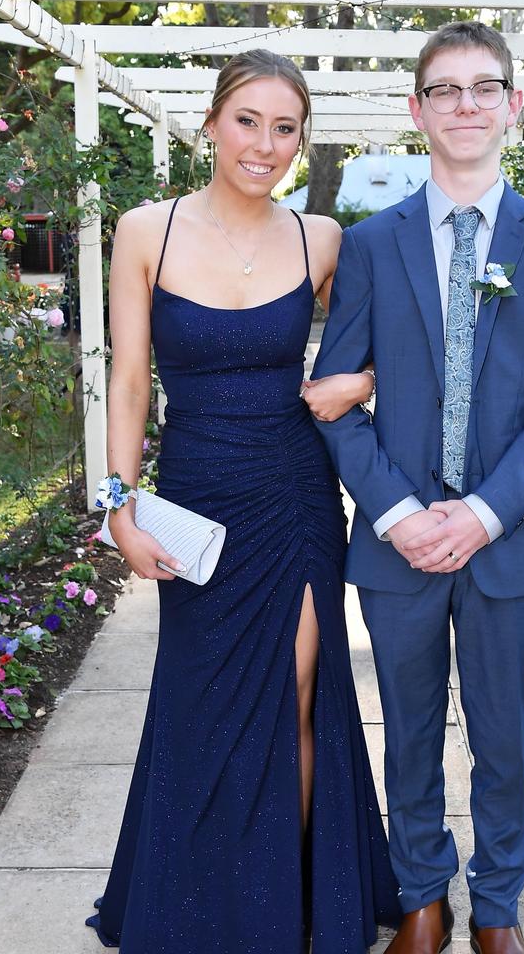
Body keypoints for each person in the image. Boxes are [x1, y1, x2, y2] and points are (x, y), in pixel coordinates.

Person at [85, 48, 400, 954]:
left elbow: (378, 356)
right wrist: (120, 503)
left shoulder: (321, 238)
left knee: (298, 696)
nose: (265, 144)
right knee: (203, 701)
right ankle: (199, 903)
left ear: (302, 140)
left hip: (297, 497)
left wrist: (364, 380)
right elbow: (132, 380)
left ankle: (288, 907)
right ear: (212, 123)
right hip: (197, 495)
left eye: (285, 127)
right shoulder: (148, 229)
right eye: (248, 121)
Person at [310, 22, 524, 954]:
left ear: (513, 107)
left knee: (503, 735)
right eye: (445, 89)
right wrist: (398, 515)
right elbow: (334, 399)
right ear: (417, 110)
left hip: (507, 539)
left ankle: (500, 908)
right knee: (407, 729)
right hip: (398, 538)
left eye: (485, 88)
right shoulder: (369, 245)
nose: (465, 105)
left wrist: (479, 514)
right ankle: (423, 897)